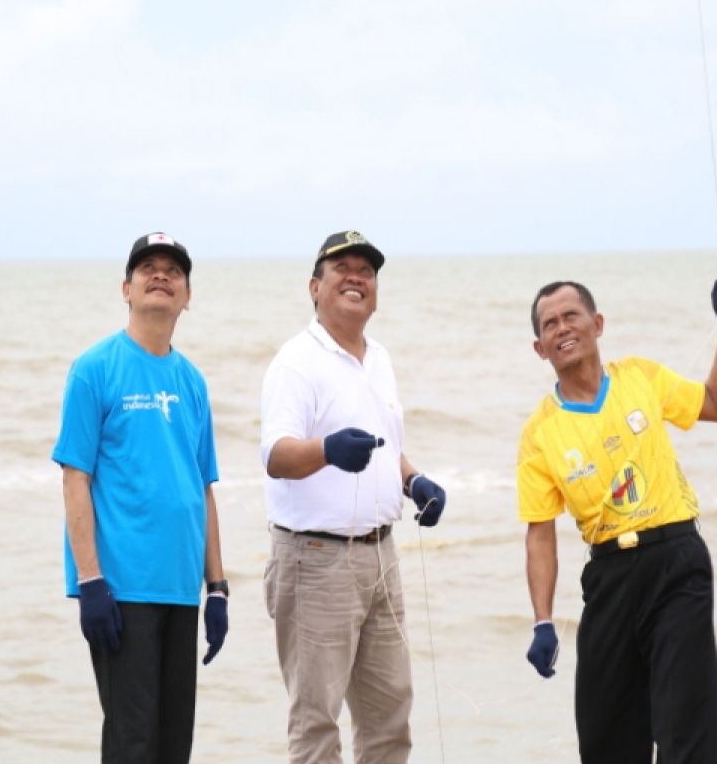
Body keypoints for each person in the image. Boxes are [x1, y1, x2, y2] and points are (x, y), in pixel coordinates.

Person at [518, 273, 717, 763]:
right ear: (540, 348)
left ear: (597, 324)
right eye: (550, 324)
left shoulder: (639, 377)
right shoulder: (540, 432)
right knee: (605, 739)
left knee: (686, 730)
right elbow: (540, 532)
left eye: (571, 316)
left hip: (675, 563)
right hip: (609, 579)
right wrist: (542, 621)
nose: (562, 329)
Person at [260, 230, 447, 764]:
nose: (356, 278)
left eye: (366, 270)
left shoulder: (379, 358)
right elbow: (276, 454)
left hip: (382, 557)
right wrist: (327, 450)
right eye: (342, 268)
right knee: (316, 721)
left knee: (390, 718)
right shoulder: (296, 361)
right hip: (315, 559)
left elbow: (389, 447)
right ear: (315, 286)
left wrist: (415, 483)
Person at [51, 233, 228, 764]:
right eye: (147, 267)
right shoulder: (95, 368)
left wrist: (216, 588)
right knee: (132, 743)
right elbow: (75, 479)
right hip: (121, 588)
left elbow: (203, 488)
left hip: (180, 590)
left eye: (173, 270)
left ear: (187, 296)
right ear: (125, 289)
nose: (160, 275)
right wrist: (90, 581)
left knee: (174, 746)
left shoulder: (192, 381)